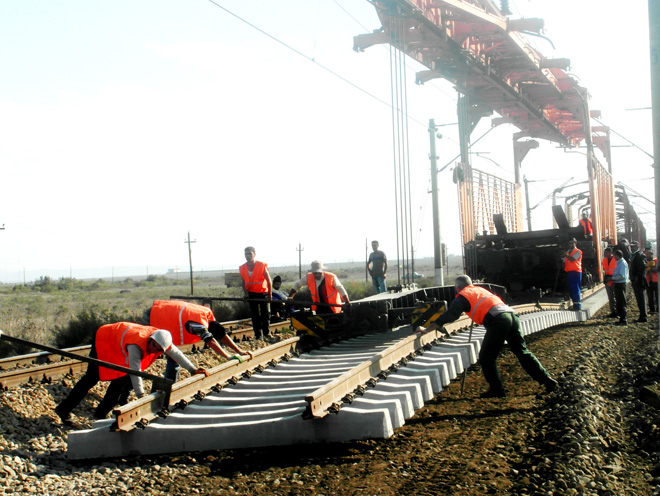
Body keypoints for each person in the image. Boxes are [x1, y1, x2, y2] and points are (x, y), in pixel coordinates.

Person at [414, 275, 557, 398]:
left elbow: (451, 315)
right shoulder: (480, 290)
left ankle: (497, 389)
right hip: (511, 316)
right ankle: (547, 380)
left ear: (457, 288)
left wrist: (428, 329)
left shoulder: (463, 295)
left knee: (486, 357)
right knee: (522, 351)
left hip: (498, 320)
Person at [55, 322, 208, 424]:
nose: (155, 351)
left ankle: (101, 414)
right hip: (105, 338)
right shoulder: (136, 346)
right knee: (91, 378)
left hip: (120, 344)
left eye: (159, 350)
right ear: (151, 340)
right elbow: (135, 372)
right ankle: (63, 410)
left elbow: (177, 355)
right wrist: (142, 397)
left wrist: (193, 370)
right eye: (154, 347)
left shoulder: (162, 341)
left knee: (120, 379)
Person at [146, 299, 253, 381]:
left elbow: (222, 335)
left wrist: (239, 351)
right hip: (154, 315)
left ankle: (168, 386)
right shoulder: (196, 324)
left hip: (162, 311)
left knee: (173, 359)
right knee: (144, 349)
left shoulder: (204, 316)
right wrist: (227, 356)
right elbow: (211, 341)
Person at [239, 246, 273, 340]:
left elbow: (269, 280)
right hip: (251, 294)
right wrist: (246, 293)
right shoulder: (242, 268)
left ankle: (266, 333)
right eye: (246, 254)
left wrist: (270, 295)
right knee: (254, 315)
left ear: (254, 254)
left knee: (265, 314)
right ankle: (257, 334)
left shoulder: (261, 265)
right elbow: (243, 281)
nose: (248, 255)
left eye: (250, 253)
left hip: (263, 293)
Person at [629, 241, 648, 323]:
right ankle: (642, 315)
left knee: (641, 298)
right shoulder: (636, 255)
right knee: (639, 299)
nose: (631, 248)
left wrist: (637, 277)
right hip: (636, 280)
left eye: (633, 246)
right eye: (631, 246)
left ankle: (643, 316)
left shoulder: (639, 255)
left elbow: (642, 268)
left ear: (637, 246)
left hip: (639, 281)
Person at [563, 238, 583, 310]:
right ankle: (575, 304)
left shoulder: (578, 251)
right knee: (571, 288)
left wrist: (566, 255)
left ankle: (578, 305)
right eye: (569, 243)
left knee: (575, 288)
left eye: (572, 243)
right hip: (570, 272)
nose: (570, 244)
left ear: (575, 243)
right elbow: (566, 260)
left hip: (576, 272)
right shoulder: (569, 251)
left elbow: (572, 259)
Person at [611, 249, 629, 325]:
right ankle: (621, 318)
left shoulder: (622, 264)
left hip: (620, 284)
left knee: (621, 302)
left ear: (618, 255)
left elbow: (622, 276)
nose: (613, 257)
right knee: (619, 302)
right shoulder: (620, 263)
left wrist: (612, 278)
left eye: (614, 255)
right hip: (618, 284)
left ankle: (623, 319)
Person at [601, 247, 618, 318]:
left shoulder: (616, 260)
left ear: (611, 253)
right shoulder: (604, 260)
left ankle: (617, 311)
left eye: (607, 252)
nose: (605, 254)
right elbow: (604, 269)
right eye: (605, 253)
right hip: (608, 279)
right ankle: (613, 311)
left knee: (616, 296)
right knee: (610, 296)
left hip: (614, 279)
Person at [645, 249, 658, 314]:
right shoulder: (645, 261)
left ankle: (658, 309)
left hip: (656, 281)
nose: (648, 255)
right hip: (649, 281)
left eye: (649, 254)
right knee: (650, 297)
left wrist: (650, 267)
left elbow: (656, 270)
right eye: (647, 254)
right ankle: (652, 309)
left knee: (657, 296)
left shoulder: (656, 260)